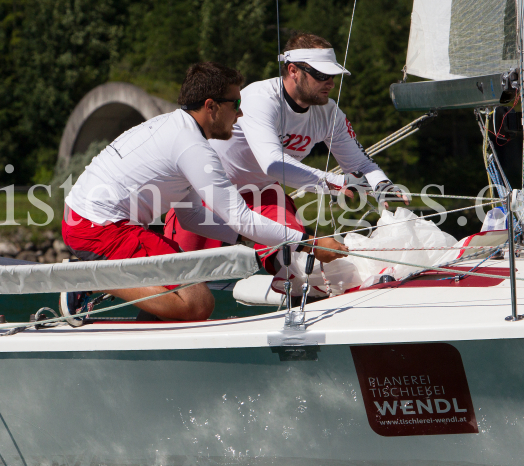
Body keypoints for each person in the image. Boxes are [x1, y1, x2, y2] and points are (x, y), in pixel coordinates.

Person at [61, 61, 347, 321]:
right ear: (211, 107)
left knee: (184, 289)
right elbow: (241, 217)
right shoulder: (193, 148)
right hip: (97, 227)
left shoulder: (180, 130)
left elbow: (191, 216)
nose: (241, 112)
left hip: (92, 219)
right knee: (198, 304)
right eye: (235, 103)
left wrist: (242, 240)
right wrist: (310, 242)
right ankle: (88, 278)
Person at [164, 32, 406, 274]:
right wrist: (337, 183)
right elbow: (272, 163)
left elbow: (358, 163)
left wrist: (383, 185)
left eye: (333, 75)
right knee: (178, 284)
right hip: (207, 192)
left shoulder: (330, 114)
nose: (331, 83)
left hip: (262, 195)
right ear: (293, 71)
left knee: (297, 263)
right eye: (321, 75)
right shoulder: (260, 99)